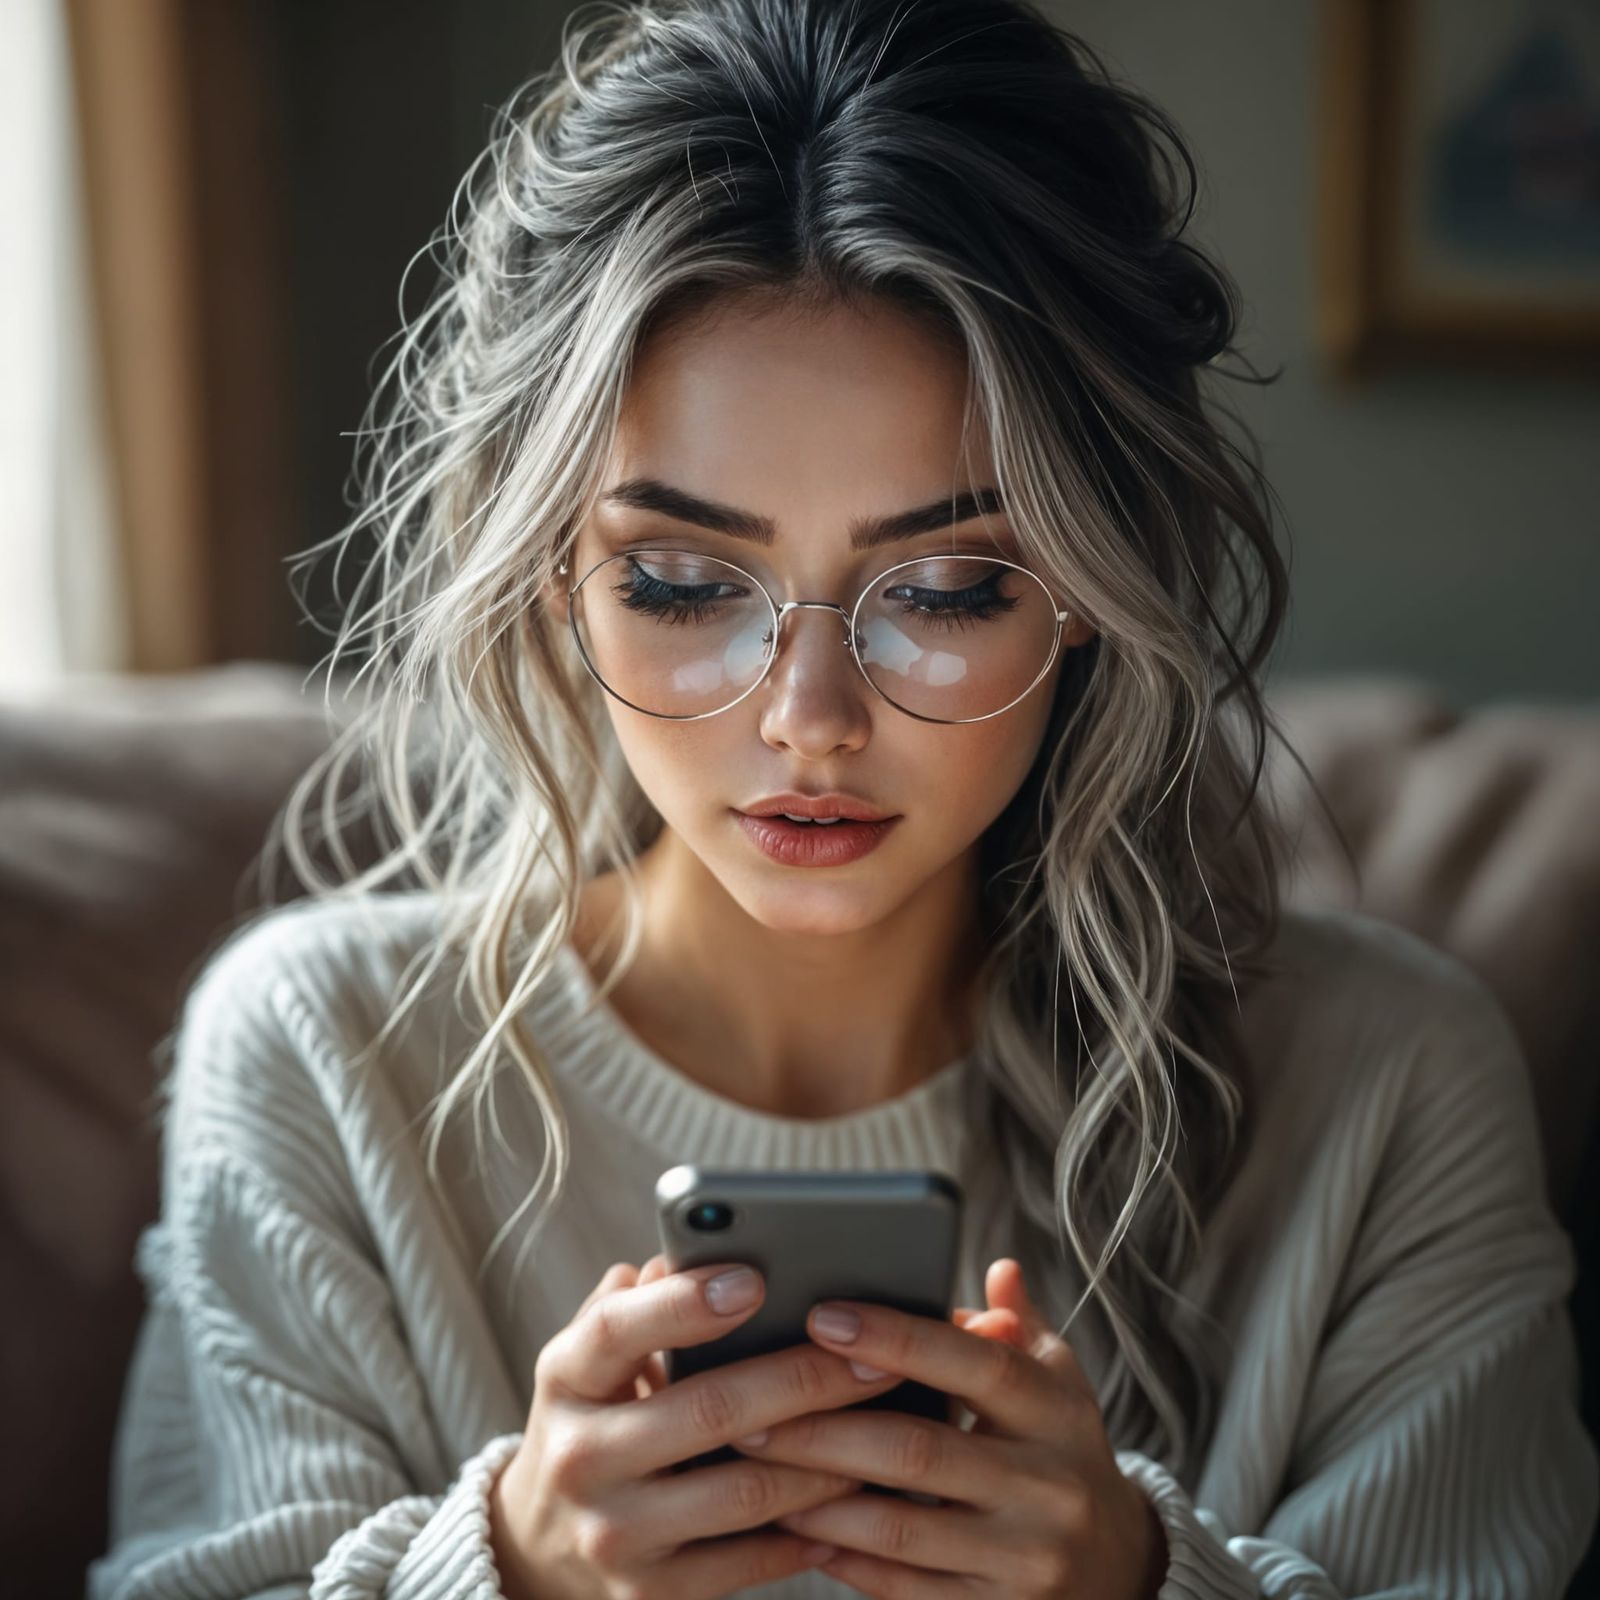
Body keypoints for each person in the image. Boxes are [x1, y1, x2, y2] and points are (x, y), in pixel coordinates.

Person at [88, 0, 1598, 1596]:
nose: (810, 722)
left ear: (1087, 585)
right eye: (680, 580)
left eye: (946, 587)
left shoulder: (1392, 1089)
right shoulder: (325, 1061)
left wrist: (1136, 1580)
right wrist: (508, 1568)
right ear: (551, 580)